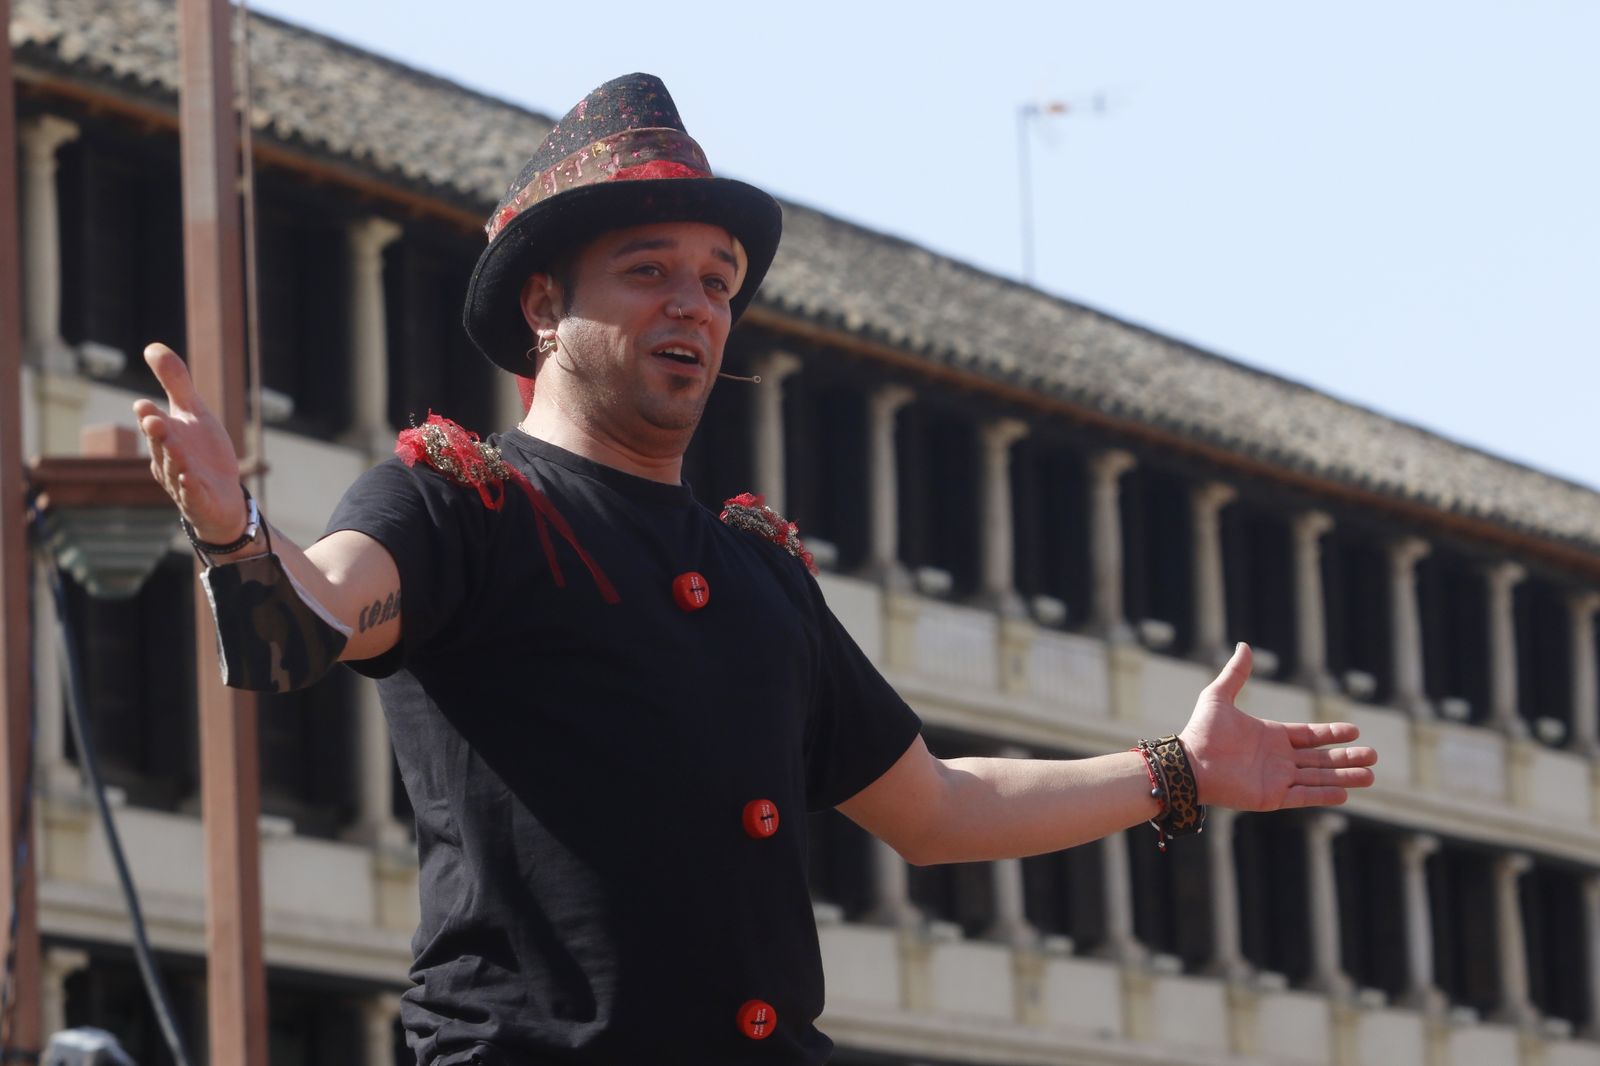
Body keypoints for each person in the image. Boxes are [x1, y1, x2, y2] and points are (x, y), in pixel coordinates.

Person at [134, 73, 1377, 1065]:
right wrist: (234, 522)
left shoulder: (757, 571)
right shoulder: (459, 504)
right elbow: (310, 618)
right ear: (542, 306)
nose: (694, 304)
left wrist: (1177, 769)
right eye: (650, 271)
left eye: (717, 282)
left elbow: (936, 809)